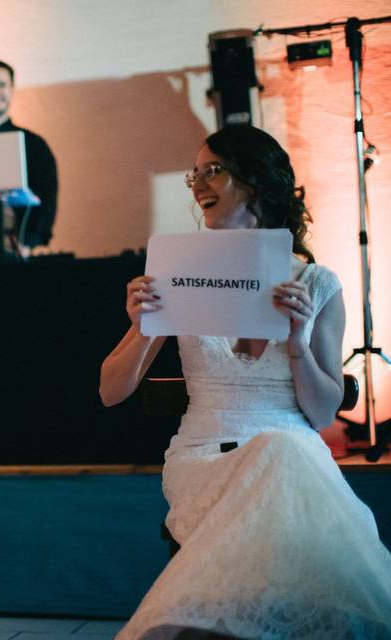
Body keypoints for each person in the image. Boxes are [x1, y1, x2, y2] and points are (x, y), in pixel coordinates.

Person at [99, 125, 391, 639]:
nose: (198, 184)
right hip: (204, 454)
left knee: (282, 451)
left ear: (255, 182)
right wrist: (143, 325)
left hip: (294, 451)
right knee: (280, 457)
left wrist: (298, 343)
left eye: (214, 170)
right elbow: (110, 392)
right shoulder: (180, 270)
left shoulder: (314, 282)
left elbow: (323, 415)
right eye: (196, 173)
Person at [0, 59, 58, 250]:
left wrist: (29, 241)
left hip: (19, 254)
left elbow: (48, 199)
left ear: (12, 90)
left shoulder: (35, 145)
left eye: (2, 85)